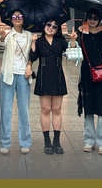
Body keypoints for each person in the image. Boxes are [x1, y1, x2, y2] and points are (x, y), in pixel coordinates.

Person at [69, 9, 102, 155]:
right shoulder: (82, 35)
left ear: (99, 19)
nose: (93, 20)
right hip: (87, 72)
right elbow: (74, 50)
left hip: (100, 72)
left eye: (95, 18)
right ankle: (89, 140)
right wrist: (74, 39)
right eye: (90, 17)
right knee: (88, 107)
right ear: (86, 19)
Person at [29, 18, 68, 155]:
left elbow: (70, 49)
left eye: (54, 26)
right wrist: (33, 42)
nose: (51, 27)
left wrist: (74, 39)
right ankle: (47, 140)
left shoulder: (60, 41)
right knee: (45, 109)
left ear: (58, 29)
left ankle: (56, 141)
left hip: (57, 76)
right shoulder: (39, 41)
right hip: (44, 76)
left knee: (57, 109)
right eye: (48, 24)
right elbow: (33, 57)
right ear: (44, 26)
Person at [0, 10, 33, 155]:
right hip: (8, 76)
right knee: (6, 110)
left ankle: (25, 141)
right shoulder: (8, 34)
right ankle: (5, 142)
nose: (17, 18)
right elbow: (1, 43)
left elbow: (32, 54)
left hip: (24, 76)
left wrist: (30, 65)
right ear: (11, 20)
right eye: (14, 17)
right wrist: (1, 36)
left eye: (19, 16)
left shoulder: (29, 35)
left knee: (24, 110)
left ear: (23, 19)